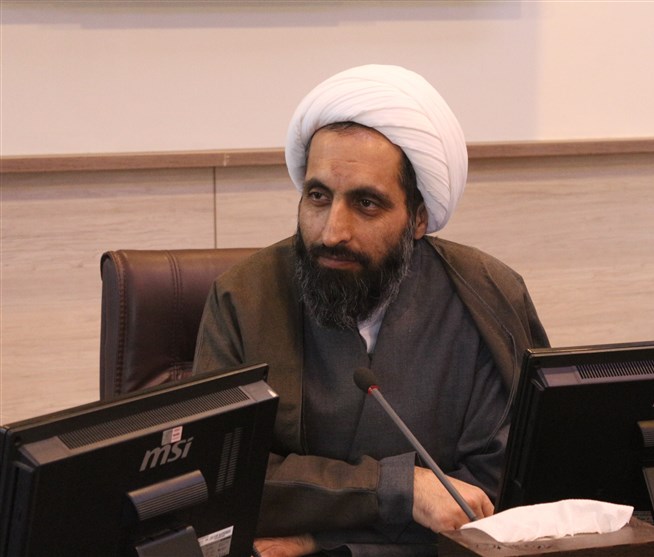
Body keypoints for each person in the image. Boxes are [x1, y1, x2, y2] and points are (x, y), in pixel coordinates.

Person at [193, 64, 549, 557]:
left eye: (366, 204)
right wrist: (398, 489)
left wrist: (324, 539)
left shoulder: (487, 297)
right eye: (318, 197)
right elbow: (217, 476)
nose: (332, 231)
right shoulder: (244, 298)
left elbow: (498, 495)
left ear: (418, 219)